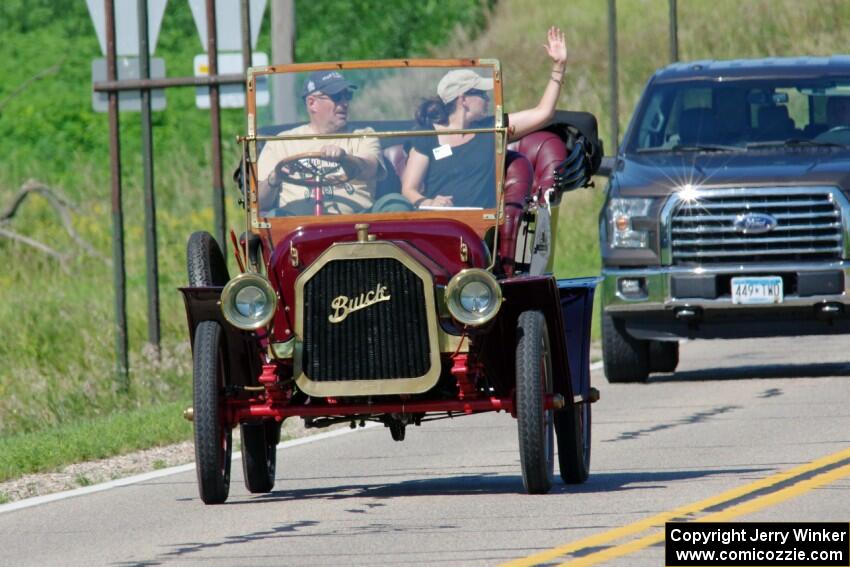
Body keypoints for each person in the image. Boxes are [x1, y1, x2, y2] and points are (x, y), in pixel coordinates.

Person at [401, 26, 569, 209]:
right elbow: (409, 189)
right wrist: (430, 202)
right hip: (441, 225)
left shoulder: (493, 128)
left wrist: (558, 67)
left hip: (482, 228)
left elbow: (543, 113)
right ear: (463, 99)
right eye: (482, 94)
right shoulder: (427, 137)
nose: (488, 99)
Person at [257, 70, 383, 215]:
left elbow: (370, 169)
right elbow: (259, 202)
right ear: (312, 103)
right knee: (273, 218)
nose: (345, 103)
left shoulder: (363, 135)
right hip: (297, 231)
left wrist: (345, 158)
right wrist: (275, 177)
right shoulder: (282, 142)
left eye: (347, 95)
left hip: (358, 228)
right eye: (336, 97)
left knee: (395, 202)